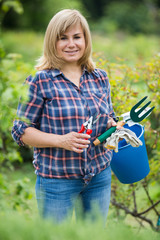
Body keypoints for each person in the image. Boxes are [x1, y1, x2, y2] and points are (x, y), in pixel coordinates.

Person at [12, 9, 118, 224]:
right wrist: (61, 140)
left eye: (77, 37)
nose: (71, 44)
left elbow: (109, 116)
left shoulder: (99, 78)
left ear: (86, 40)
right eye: (63, 38)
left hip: (99, 176)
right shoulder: (40, 80)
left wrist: (112, 125)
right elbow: (20, 131)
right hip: (56, 181)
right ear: (53, 42)